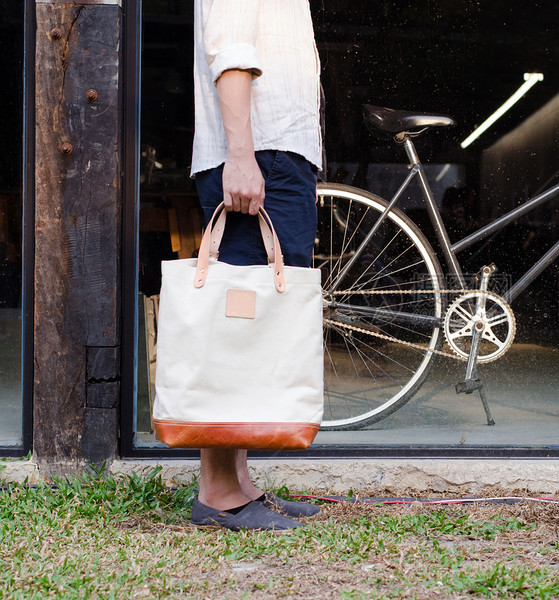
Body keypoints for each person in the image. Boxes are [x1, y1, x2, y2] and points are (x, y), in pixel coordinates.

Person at [187, 0, 324, 531]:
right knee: (237, 331)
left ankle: (238, 484)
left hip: (277, 156)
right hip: (259, 155)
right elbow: (231, 54)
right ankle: (218, 491)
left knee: (253, 329)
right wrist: (241, 157)